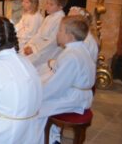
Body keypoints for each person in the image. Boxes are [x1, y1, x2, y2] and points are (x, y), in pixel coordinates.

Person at [35, 16, 96, 144]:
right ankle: (51, 136)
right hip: (78, 95)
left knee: (35, 108)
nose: (57, 33)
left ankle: (50, 140)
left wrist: (36, 93)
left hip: (74, 98)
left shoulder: (71, 55)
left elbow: (57, 87)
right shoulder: (79, 49)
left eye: (60, 30)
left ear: (70, 36)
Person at [23, 0, 66, 69]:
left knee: (25, 63)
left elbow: (52, 42)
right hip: (39, 47)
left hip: (49, 51)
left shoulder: (61, 20)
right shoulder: (49, 17)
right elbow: (38, 34)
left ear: (60, 7)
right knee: (21, 54)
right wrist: (29, 45)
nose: (47, 6)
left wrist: (33, 49)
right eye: (47, 3)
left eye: (51, 4)